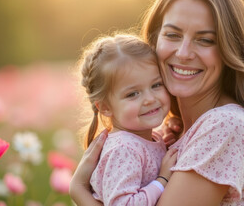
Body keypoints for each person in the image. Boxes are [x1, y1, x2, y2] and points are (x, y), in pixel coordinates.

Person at [70, 0, 244, 206]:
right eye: (172, 35)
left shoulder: (225, 127)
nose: (183, 53)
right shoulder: (171, 135)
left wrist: (80, 192)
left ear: (229, 49)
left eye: (205, 40)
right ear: (154, 39)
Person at [75, 34, 178, 205]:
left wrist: (164, 143)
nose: (150, 99)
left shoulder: (139, 139)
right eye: (133, 94)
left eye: (156, 85)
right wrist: (162, 180)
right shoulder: (123, 149)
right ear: (106, 108)